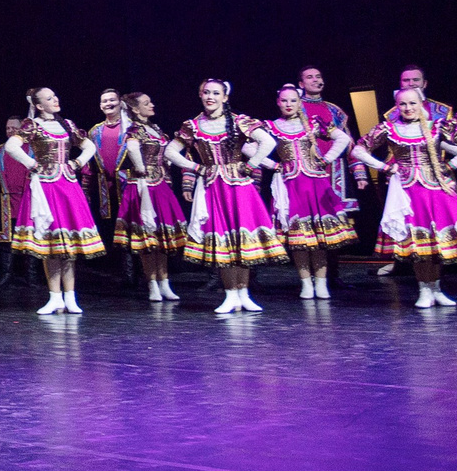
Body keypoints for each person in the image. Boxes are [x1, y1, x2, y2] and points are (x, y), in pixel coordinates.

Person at [350, 88, 457, 307]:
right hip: (408, 192)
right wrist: (385, 167)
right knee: (419, 244)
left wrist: (452, 165)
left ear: (421, 104)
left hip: (436, 190)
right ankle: (424, 289)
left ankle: (436, 288)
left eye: (412, 104)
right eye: (403, 104)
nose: (408, 108)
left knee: (435, 243)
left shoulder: (437, 127)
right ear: (397, 106)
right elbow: (358, 150)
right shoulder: (390, 128)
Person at [162, 79, 286, 315]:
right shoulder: (193, 125)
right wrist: (196, 168)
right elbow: (170, 151)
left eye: (216, 93)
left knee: (242, 241)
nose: (210, 96)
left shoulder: (239, 121)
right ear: (200, 96)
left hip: (240, 187)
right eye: (206, 92)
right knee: (224, 243)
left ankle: (244, 293)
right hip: (214, 188)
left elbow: (268, 141)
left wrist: (251, 165)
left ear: (225, 97)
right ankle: (230, 294)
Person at [6, 88, 104, 313]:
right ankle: (54, 297)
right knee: (51, 245)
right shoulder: (32, 125)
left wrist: (77, 163)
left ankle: (70, 297)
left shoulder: (67, 124)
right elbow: (12, 146)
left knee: (68, 245)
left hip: (68, 187)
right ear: (39, 106)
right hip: (46, 188)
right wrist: (31, 164)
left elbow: (89, 146)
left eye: (55, 96)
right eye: (49, 98)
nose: (55, 99)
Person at [268, 83, 355, 299]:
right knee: (299, 240)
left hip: (316, 183)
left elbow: (343, 138)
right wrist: (273, 165)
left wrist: (326, 159)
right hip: (291, 185)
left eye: (293, 101)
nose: (289, 104)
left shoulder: (313, 124)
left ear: (300, 103)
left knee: (319, 238)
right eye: (284, 100)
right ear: (278, 103)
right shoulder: (271, 126)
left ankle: (322, 282)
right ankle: (306, 283)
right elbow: (249, 146)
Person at [116, 90, 187, 303]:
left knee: (162, 238)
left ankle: (164, 282)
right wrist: (140, 170)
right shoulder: (134, 130)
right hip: (143, 186)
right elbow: (132, 148)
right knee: (147, 239)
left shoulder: (154, 129)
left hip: (161, 186)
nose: (152, 105)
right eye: (147, 103)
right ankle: (152, 284)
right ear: (135, 109)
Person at [297, 66, 366, 200]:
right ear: (301, 84)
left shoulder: (334, 110)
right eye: (309, 77)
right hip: (307, 167)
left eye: (318, 76)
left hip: (335, 168)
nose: (315, 80)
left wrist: (359, 172)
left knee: (339, 215)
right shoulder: (296, 109)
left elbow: (349, 143)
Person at [88, 89, 133, 284]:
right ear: (100, 105)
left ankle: (133, 274)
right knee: (110, 227)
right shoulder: (94, 131)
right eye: (104, 101)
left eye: (112, 100)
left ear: (120, 103)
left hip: (128, 185)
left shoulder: (131, 128)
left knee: (130, 228)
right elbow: (89, 165)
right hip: (103, 188)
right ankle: (119, 274)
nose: (108, 103)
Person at [0, 115, 29, 291]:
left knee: (29, 241)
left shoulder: (31, 149)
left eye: (14, 128)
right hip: (7, 202)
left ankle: (31, 278)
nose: (10, 131)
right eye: (7, 128)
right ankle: (6, 275)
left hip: (28, 201)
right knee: (5, 243)